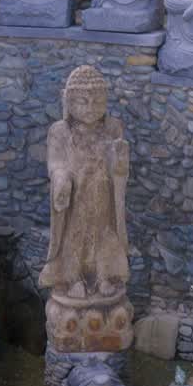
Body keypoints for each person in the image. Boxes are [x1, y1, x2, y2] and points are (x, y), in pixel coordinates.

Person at [38, 66, 131, 301]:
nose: (91, 108)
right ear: (69, 102)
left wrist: (119, 161)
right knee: (74, 236)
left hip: (102, 194)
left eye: (97, 102)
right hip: (76, 196)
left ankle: (103, 276)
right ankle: (73, 278)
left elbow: (118, 165)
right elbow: (55, 163)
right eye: (83, 101)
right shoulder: (59, 131)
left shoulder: (113, 127)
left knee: (104, 234)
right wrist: (61, 178)